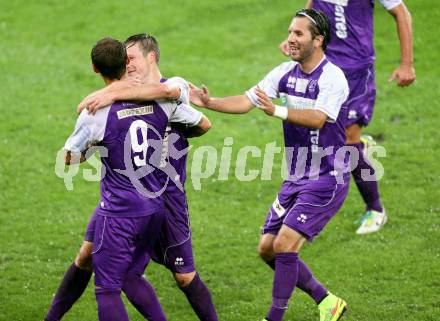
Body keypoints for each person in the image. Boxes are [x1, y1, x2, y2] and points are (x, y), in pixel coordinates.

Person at [45, 34, 218, 321]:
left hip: (155, 199)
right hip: (144, 201)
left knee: (179, 277)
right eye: (127, 59)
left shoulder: (167, 88)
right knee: (87, 257)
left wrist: (112, 95)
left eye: (134, 56)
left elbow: (184, 103)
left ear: (150, 57)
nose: (131, 64)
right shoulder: (159, 103)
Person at [190, 9, 349, 321]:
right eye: (290, 32)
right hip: (297, 175)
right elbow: (249, 100)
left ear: (317, 41)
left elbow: (318, 119)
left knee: (286, 244)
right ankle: (327, 302)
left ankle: (274, 317)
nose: (290, 39)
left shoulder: (333, 77)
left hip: (328, 176)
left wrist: (276, 111)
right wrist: (210, 102)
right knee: (267, 248)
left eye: (298, 34)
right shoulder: (284, 72)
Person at [279, 0, 416, 234]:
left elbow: (401, 13)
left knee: (348, 141)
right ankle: (307, 202)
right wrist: (297, 37)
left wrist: (406, 64)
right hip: (324, 66)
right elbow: (312, 4)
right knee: (316, 135)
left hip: (356, 71)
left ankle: (376, 210)